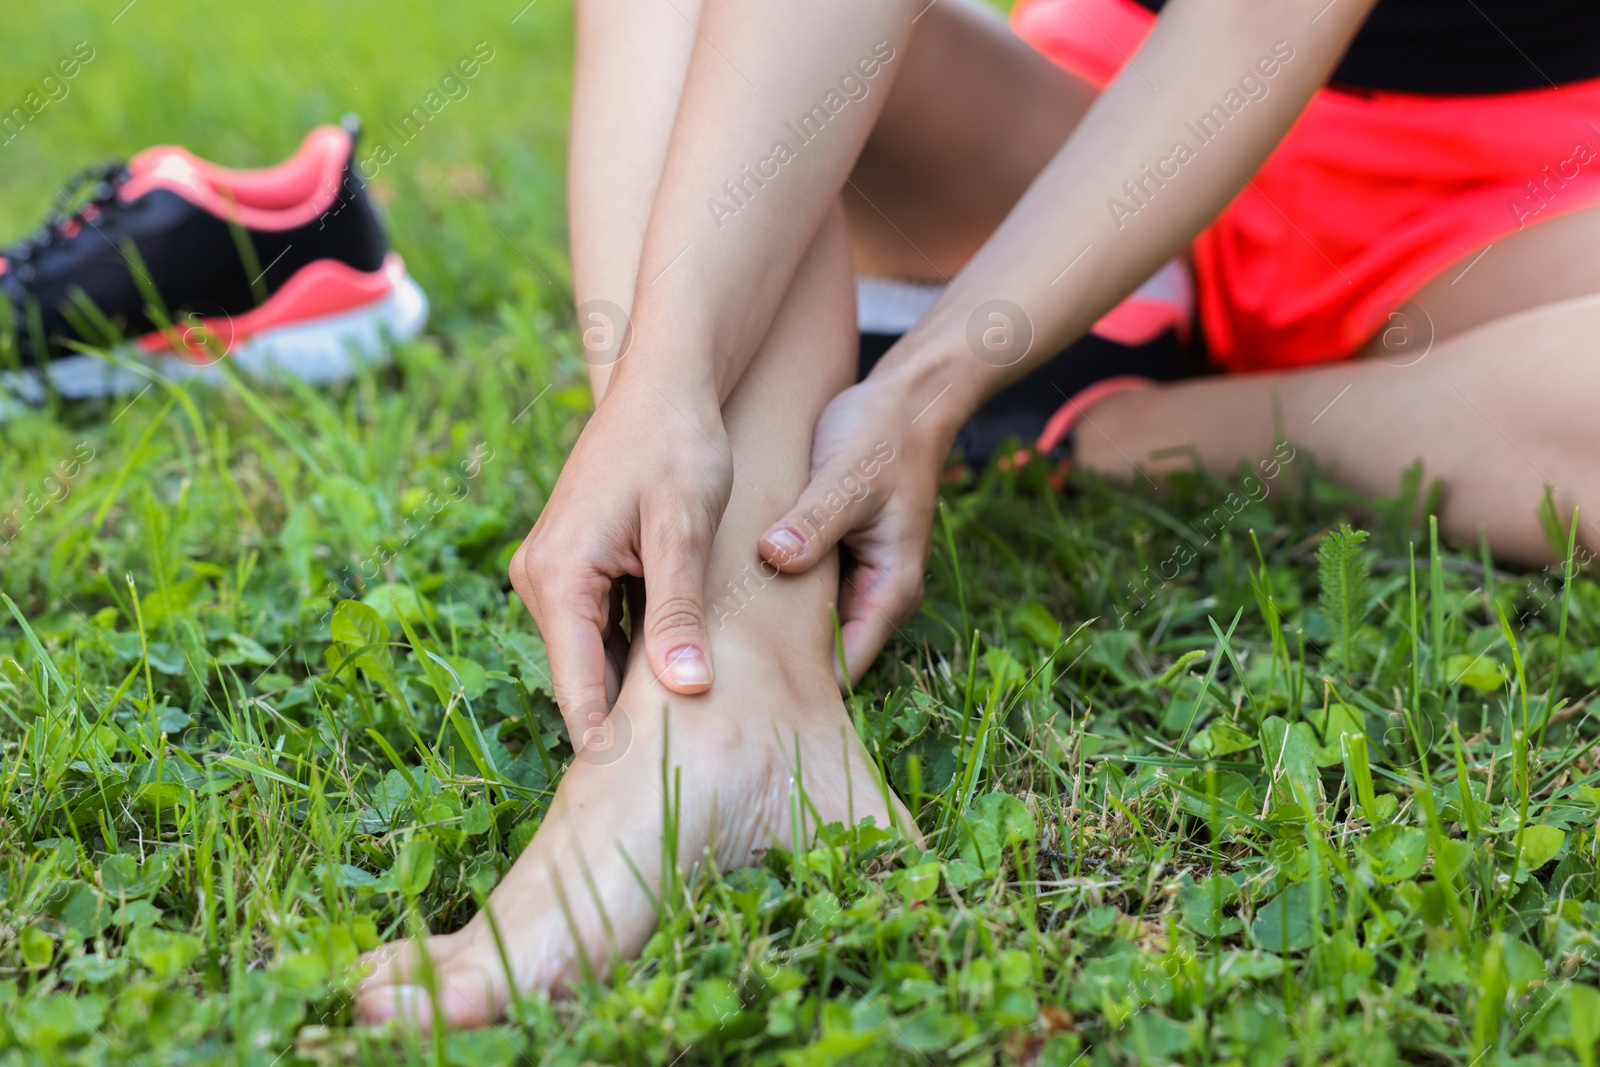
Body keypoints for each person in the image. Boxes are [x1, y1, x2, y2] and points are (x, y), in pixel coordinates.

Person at [354, 0, 1600, 1028]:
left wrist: (930, 382)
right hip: (1100, 142)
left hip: (1530, 207)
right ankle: (726, 679)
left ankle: (1155, 429)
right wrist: (662, 377)